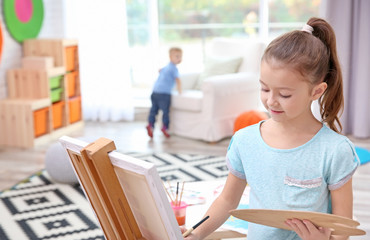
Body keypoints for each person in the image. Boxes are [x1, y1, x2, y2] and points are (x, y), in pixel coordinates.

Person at [181, 17, 359, 240]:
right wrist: (196, 234)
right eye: (264, 89)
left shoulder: (335, 150)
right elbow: (227, 201)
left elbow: (342, 229)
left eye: (284, 94)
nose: (271, 101)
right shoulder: (245, 140)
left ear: (316, 91)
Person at [146, 47, 182, 138]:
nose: (179, 59)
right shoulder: (174, 68)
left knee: (154, 110)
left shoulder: (165, 67)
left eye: (180, 57)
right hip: (164, 94)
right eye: (177, 56)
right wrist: (180, 90)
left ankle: (151, 125)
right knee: (165, 111)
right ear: (170, 57)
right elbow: (178, 79)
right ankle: (165, 127)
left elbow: (160, 71)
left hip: (155, 92)